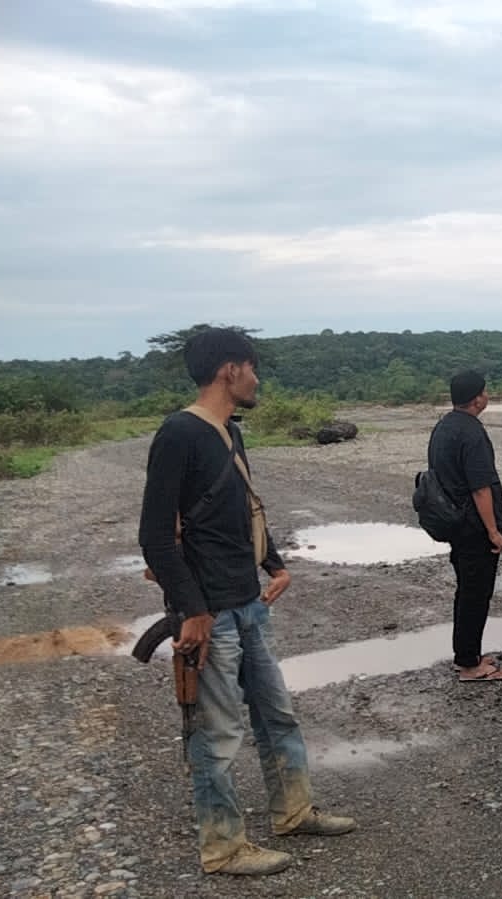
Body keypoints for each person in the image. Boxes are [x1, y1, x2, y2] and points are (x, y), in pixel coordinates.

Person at [138, 328, 355, 877]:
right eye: (252, 368)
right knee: (216, 736)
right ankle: (224, 848)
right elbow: (156, 535)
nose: (258, 378)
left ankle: (293, 811)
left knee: (277, 715)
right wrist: (192, 611)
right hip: (211, 612)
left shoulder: (230, 434)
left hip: (249, 603)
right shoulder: (179, 434)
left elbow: (243, 511)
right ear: (229, 370)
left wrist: (274, 564)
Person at [427, 370, 502, 683]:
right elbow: (480, 488)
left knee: (468, 590)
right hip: (473, 527)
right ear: (477, 398)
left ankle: (469, 654)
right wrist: (493, 530)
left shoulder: (444, 426)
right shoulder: (471, 432)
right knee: (476, 593)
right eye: (485, 391)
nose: (487, 396)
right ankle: (469, 664)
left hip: (454, 523)